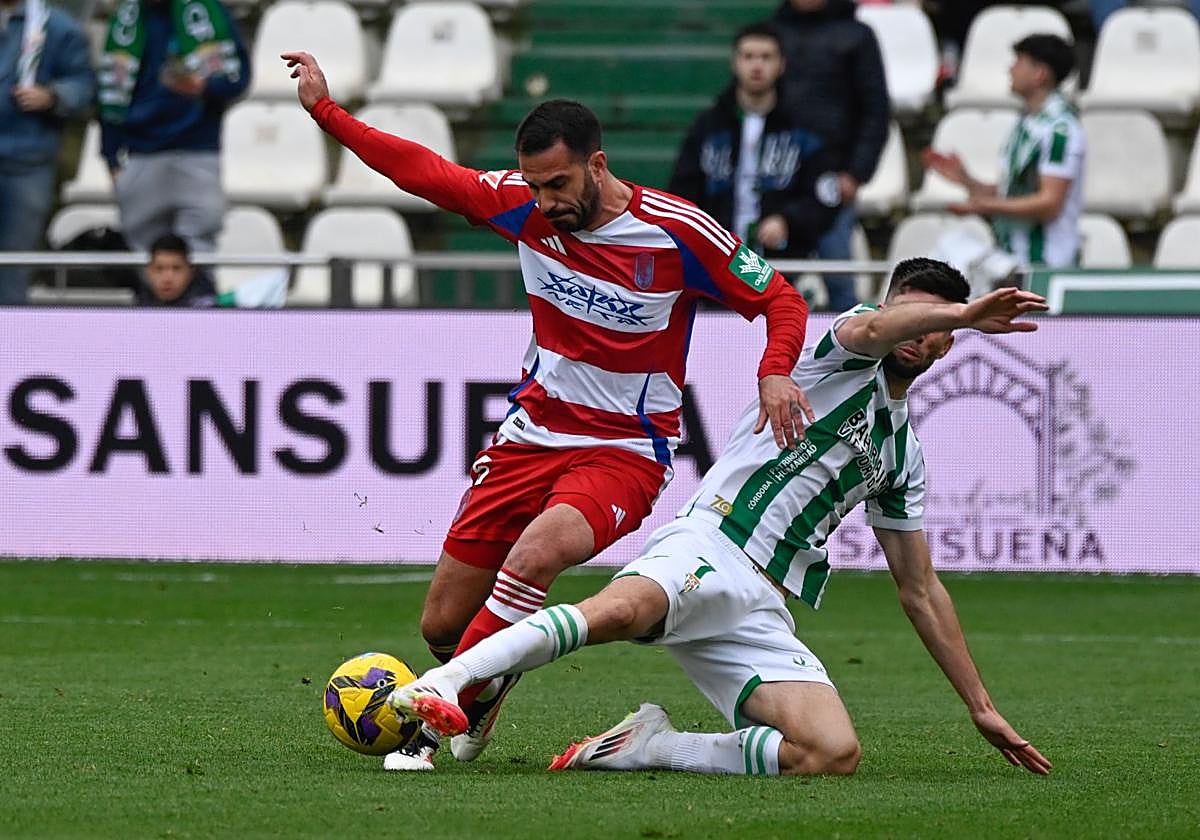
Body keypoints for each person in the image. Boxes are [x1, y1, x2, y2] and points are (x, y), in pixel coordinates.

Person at [283, 51, 815, 771]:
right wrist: (326, 112)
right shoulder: (521, 205)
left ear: (598, 164)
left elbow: (779, 298)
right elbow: (425, 172)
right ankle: (484, 684)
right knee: (444, 623)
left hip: (625, 450)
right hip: (529, 436)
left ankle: (428, 732)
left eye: (557, 183)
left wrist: (775, 372)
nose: (544, 200)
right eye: (533, 184)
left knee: (536, 556)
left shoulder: (677, 232)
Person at [391, 259, 1053, 779]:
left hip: (760, 603)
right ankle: (448, 682)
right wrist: (964, 312)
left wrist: (982, 707)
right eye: (908, 311)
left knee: (830, 752)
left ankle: (650, 745)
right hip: (711, 540)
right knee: (618, 613)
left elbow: (920, 590)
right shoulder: (841, 354)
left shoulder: (902, 455)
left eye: (934, 323)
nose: (918, 328)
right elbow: (877, 331)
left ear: (946, 344)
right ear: (885, 309)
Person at [668, 23, 842, 265]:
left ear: (781, 64)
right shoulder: (709, 127)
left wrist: (787, 220)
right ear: (735, 63)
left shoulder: (805, 129)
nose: (757, 65)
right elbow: (682, 191)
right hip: (715, 261)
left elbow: (824, 196)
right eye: (748, 56)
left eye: (766, 57)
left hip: (787, 264)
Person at [97, 0, 250, 254]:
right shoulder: (124, 20)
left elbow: (238, 79)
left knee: (198, 255)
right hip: (140, 155)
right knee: (144, 257)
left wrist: (206, 87)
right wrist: (111, 158)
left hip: (197, 153)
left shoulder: (206, 11)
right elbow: (108, 97)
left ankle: (200, 297)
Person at [923, 34, 1084, 268]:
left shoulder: (1061, 130)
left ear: (1040, 73)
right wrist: (968, 182)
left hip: (1044, 262)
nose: (1011, 69)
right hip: (1013, 255)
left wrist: (983, 206)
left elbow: (1049, 203)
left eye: (1019, 61)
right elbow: (1018, 192)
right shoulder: (1027, 123)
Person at [771, 0, 890, 312]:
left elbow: (875, 110)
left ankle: (848, 355)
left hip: (833, 181)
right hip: (778, 180)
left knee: (839, 281)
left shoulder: (857, 36)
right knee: (768, 284)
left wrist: (856, 172)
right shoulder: (774, 32)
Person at [0, 0, 95, 305]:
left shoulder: (57, 27)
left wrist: (54, 95)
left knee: (15, 263)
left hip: (28, 163)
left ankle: (10, 344)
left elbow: (85, 86)